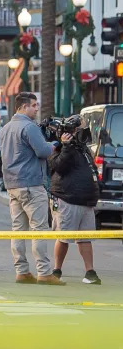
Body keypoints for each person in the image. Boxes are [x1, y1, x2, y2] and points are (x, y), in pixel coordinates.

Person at [0, 92, 63, 285]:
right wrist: (55, 144)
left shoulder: (5, 128)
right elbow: (43, 151)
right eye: (34, 105)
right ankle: (44, 272)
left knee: (18, 230)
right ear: (23, 107)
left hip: (12, 184)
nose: (37, 108)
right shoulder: (29, 127)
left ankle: (22, 271)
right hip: (31, 184)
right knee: (39, 229)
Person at [47, 122, 101, 285]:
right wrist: (66, 146)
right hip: (67, 198)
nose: (81, 132)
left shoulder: (82, 149)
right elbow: (59, 167)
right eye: (77, 129)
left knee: (85, 238)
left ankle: (90, 272)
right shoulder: (57, 148)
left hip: (86, 200)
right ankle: (57, 271)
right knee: (64, 237)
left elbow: (92, 169)